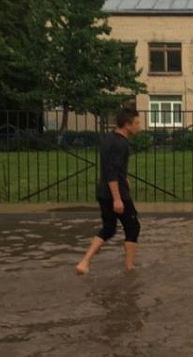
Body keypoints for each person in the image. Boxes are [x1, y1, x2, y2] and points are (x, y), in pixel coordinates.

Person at [76, 107, 142, 274]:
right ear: (127, 125)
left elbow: (110, 166)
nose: (139, 126)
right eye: (137, 123)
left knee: (109, 228)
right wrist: (117, 198)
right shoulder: (121, 144)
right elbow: (111, 171)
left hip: (103, 192)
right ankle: (129, 267)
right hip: (115, 193)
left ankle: (85, 262)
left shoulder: (109, 138)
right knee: (133, 227)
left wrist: (124, 176)